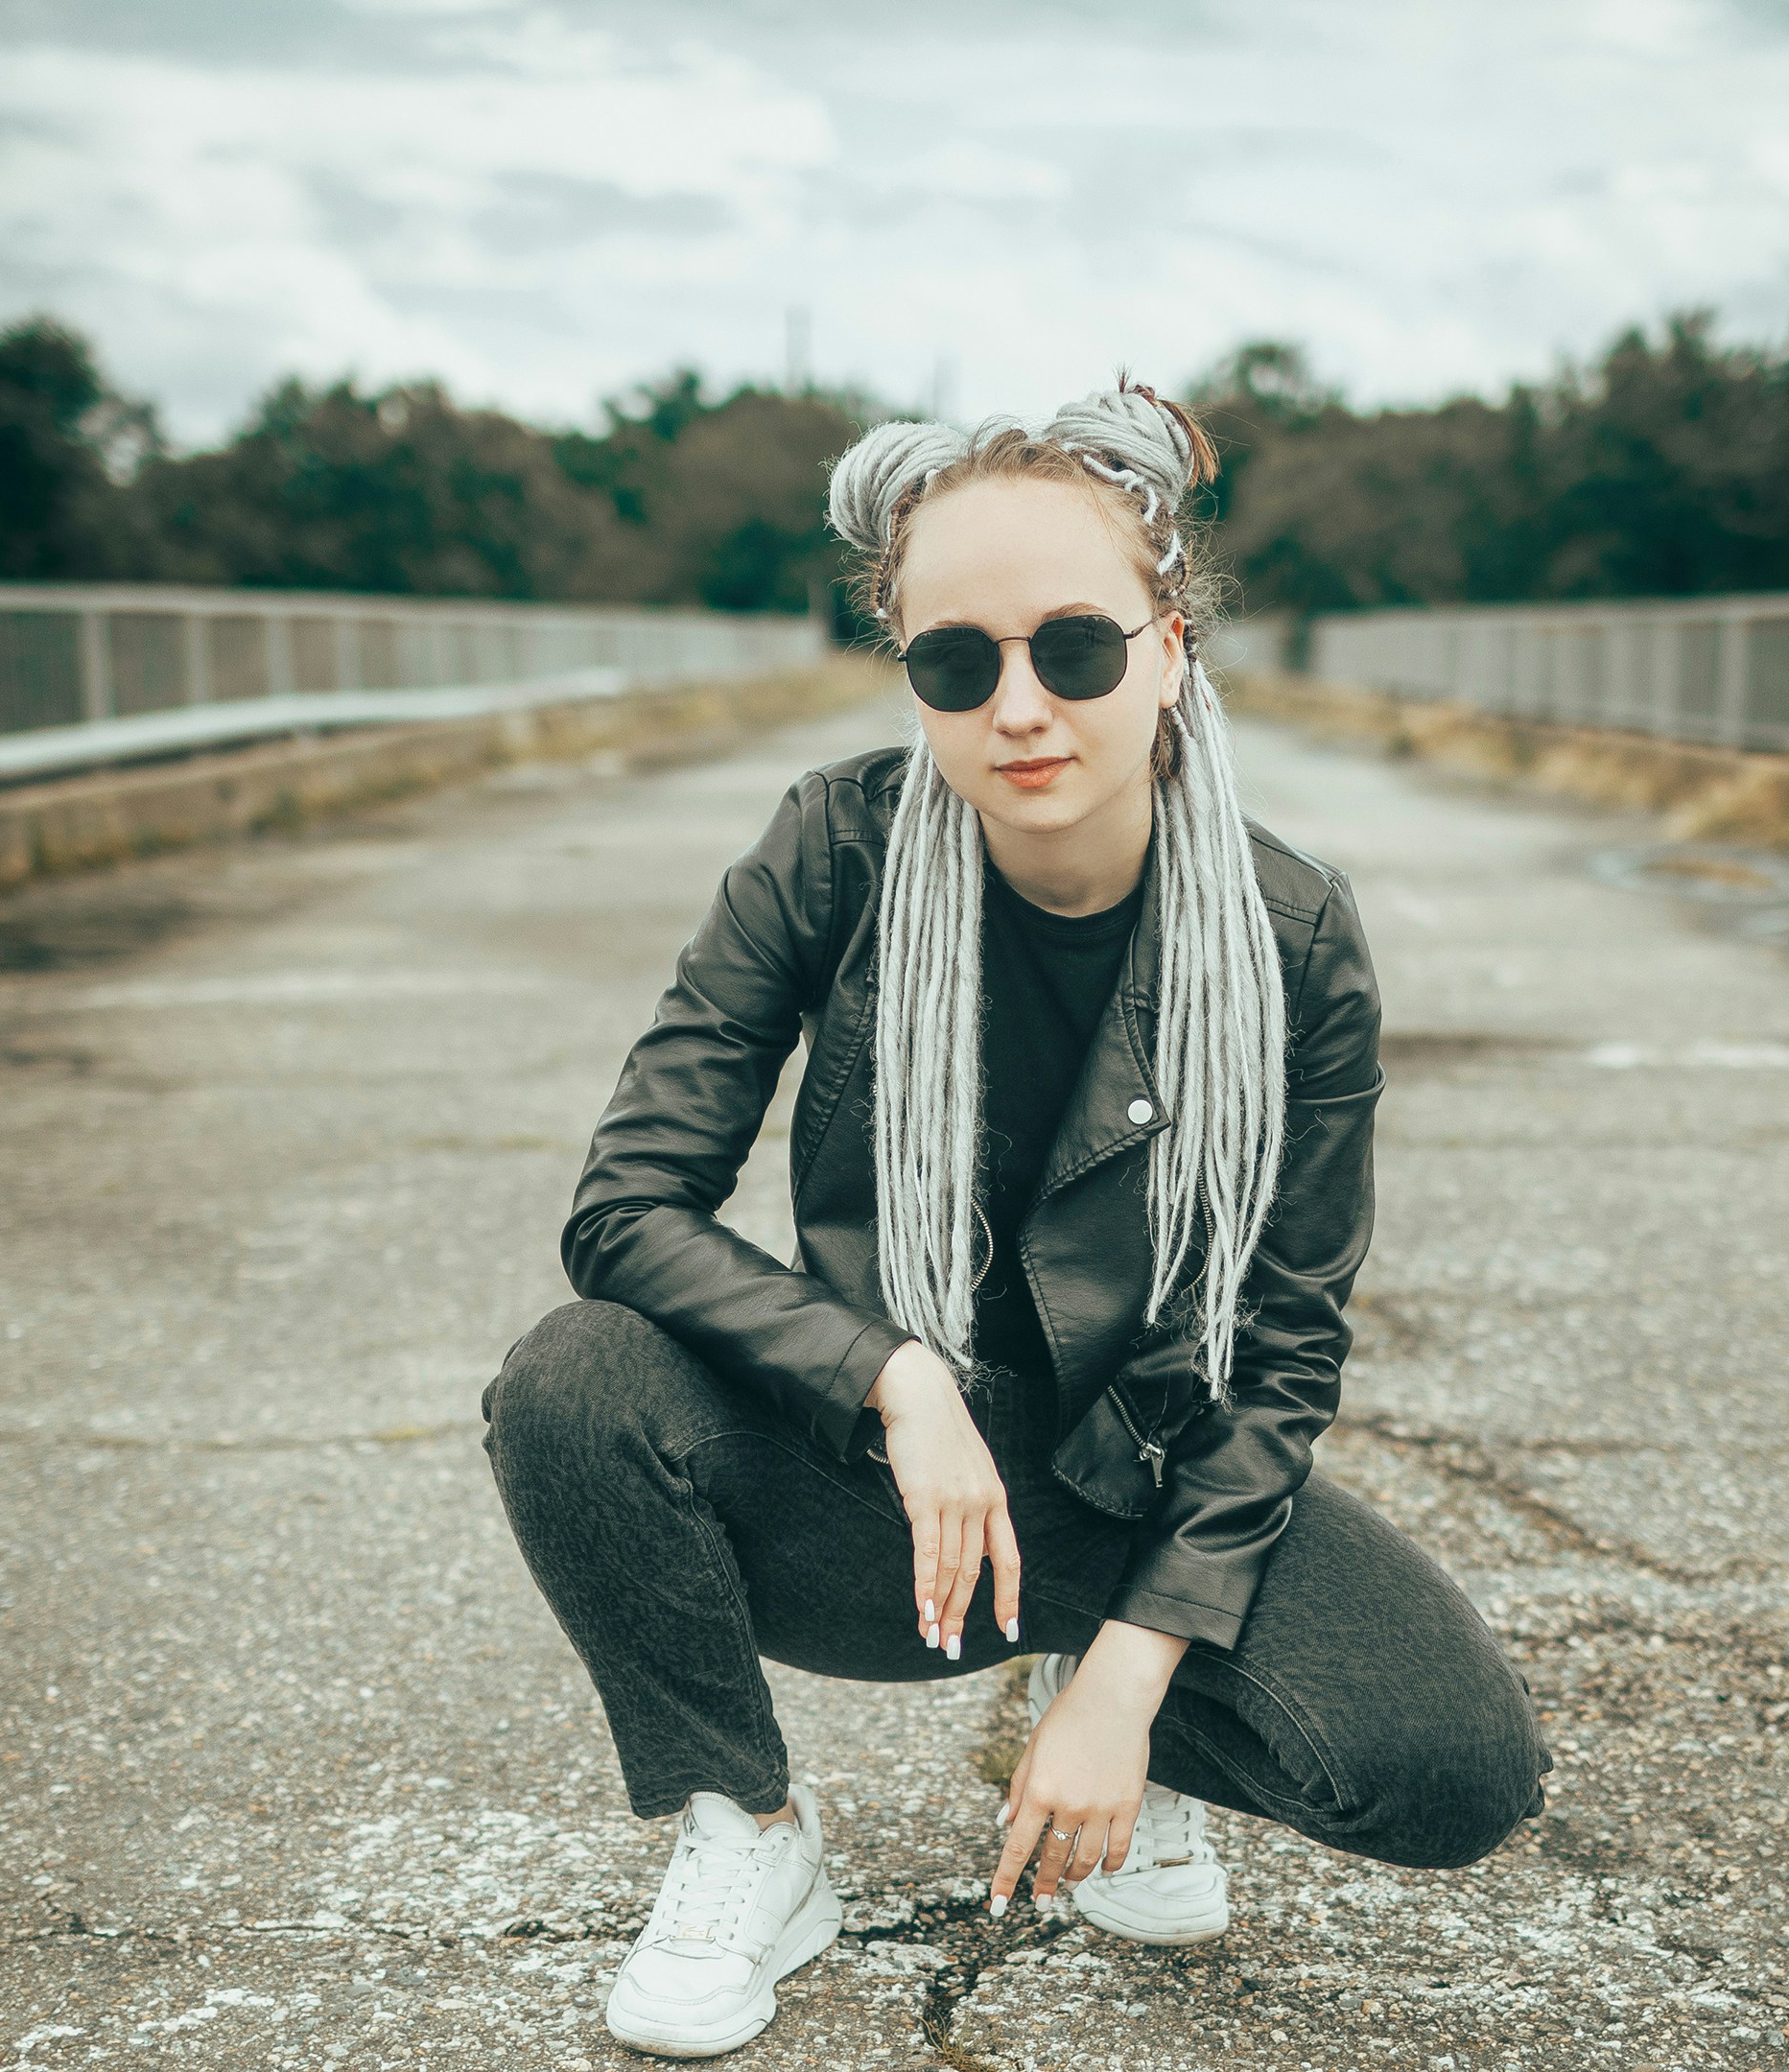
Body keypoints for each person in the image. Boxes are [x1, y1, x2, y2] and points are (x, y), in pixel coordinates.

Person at [482, 381, 1549, 2060]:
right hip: (882, 1500)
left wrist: (1131, 1679)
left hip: (1137, 1487)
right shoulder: (832, 852)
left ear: (1172, 639)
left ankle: (1098, 1704)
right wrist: (891, 1378)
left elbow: (1283, 1352)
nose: (1021, 707)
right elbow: (627, 1207)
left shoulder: (1291, 935)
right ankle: (748, 1835)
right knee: (575, 1383)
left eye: (1075, 646)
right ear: (911, 673)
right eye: (957, 662)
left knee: (1451, 1770)